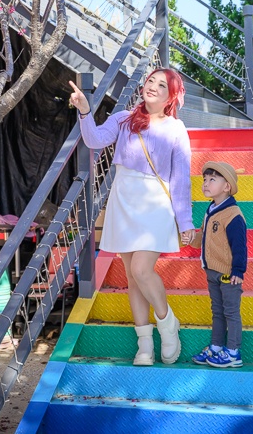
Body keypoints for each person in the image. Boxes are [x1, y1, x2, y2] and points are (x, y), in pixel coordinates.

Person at [68, 68, 194, 366]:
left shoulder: (176, 129)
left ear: (171, 96)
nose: (152, 86)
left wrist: (185, 221)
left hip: (154, 202)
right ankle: (145, 346)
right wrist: (85, 112)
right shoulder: (125, 118)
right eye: (151, 81)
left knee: (141, 269)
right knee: (132, 278)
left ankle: (167, 325)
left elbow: (181, 179)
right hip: (123, 198)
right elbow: (95, 140)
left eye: (161, 85)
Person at [189, 161, 247, 368]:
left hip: (228, 274)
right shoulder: (211, 209)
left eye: (212, 179)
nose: (205, 183)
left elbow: (239, 245)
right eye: (205, 179)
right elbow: (203, 238)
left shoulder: (233, 215)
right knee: (217, 311)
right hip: (212, 271)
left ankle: (232, 352)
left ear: (226, 187)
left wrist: (238, 270)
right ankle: (216, 347)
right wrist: (189, 239)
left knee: (231, 312)